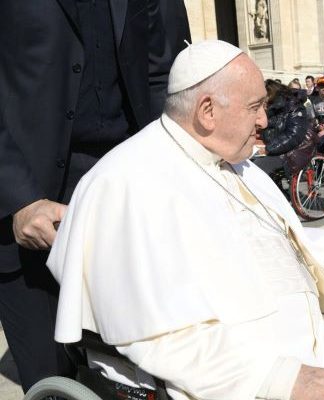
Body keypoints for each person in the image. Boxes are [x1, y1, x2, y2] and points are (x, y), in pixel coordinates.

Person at [46, 40, 324, 400]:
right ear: (206, 111)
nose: (265, 123)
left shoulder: (235, 163)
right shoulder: (126, 183)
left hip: (306, 339)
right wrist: (281, 379)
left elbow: (281, 248)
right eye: (255, 107)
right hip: (241, 369)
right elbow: (160, 339)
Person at [0, 0, 186, 391]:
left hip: (126, 198)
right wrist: (18, 197)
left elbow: (158, 74)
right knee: (55, 382)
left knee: (147, 375)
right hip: (29, 206)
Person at [252, 80, 312, 178]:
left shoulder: (293, 106)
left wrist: (269, 149)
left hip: (292, 152)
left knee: (256, 168)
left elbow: (294, 135)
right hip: (274, 147)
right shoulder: (271, 107)